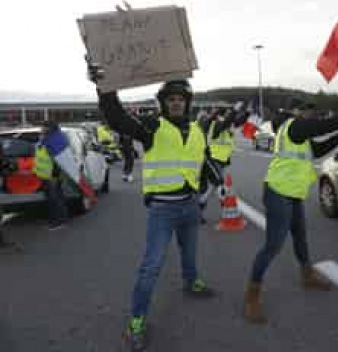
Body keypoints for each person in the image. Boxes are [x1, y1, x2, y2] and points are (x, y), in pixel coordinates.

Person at [88, 65, 216, 352]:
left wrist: (211, 181)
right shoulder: (153, 126)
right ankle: (136, 321)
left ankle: (192, 281)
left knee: (190, 252)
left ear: (187, 101)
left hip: (190, 205)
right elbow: (118, 119)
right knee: (151, 267)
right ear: (163, 102)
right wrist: (105, 87)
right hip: (162, 209)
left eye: (180, 98)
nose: (176, 102)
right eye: (170, 98)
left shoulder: (197, 130)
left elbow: (202, 159)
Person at [243, 97, 338, 324]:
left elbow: (320, 149)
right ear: (294, 111)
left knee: (300, 237)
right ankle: (251, 295)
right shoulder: (293, 125)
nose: (308, 114)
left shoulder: (299, 135)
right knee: (273, 245)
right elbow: (324, 126)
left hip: (292, 192)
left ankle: (307, 275)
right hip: (278, 190)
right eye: (304, 110)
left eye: (310, 111)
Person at [197, 105, 247, 224]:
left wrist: (246, 113)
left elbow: (236, 122)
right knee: (218, 184)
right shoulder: (215, 125)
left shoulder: (223, 124)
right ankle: (228, 210)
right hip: (213, 157)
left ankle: (201, 206)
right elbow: (227, 122)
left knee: (214, 186)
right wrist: (234, 110)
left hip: (221, 159)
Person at [33, 121, 71, 231]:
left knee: (55, 199)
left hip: (52, 174)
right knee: (53, 198)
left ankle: (59, 221)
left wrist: (55, 171)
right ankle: (55, 220)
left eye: (43, 127)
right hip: (46, 174)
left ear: (49, 128)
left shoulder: (55, 139)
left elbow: (58, 157)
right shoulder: (47, 138)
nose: (41, 128)